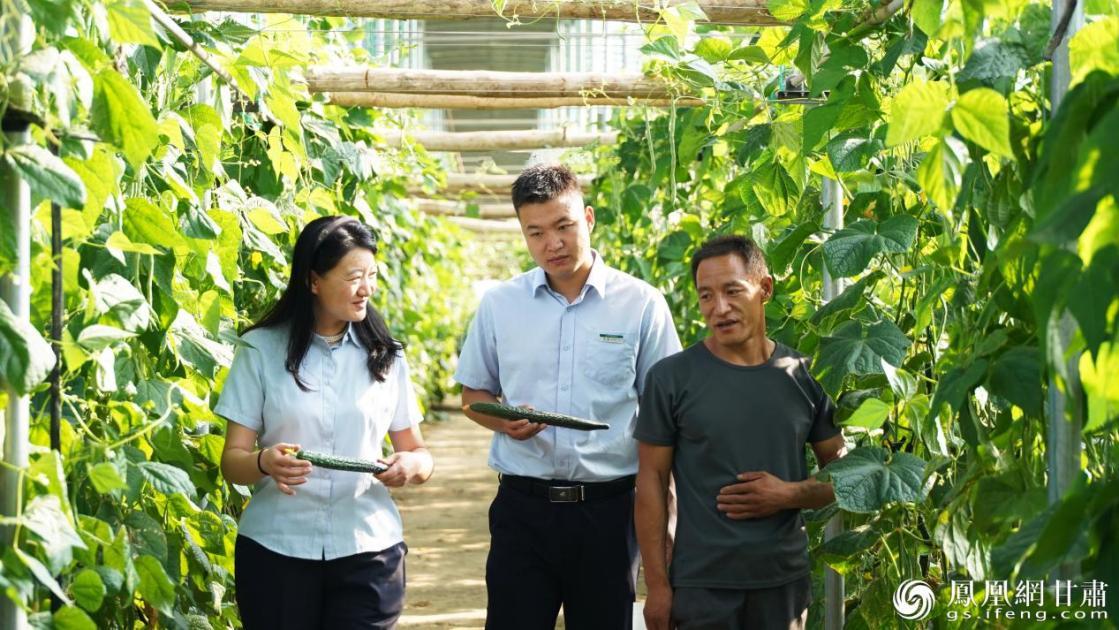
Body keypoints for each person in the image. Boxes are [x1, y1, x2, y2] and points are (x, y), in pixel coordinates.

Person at [455, 163, 682, 629]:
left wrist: (670, 523)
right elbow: (472, 394)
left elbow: (665, 417)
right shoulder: (501, 304)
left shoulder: (641, 303)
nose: (552, 244)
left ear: (590, 219)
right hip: (522, 509)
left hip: (609, 512)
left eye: (564, 226)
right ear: (522, 232)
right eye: (535, 232)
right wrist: (503, 421)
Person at [217, 215, 434, 630]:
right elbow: (232, 461)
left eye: (371, 275)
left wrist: (411, 467)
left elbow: (419, 454)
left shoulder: (387, 356)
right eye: (354, 277)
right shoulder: (260, 350)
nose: (367, 288)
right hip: (276, 549)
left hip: (368, 547)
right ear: (314, 280)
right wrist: (263, 462)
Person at [634, 235, 847, 630]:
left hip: (782, 583)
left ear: (764, 289)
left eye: (733, 291)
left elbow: (843, 473)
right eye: (706, 296)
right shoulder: (671, 378)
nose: (720, 308)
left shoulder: (804, 374)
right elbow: (651, 480)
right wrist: (658, 588)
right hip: (700, 585)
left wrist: (788, 494)